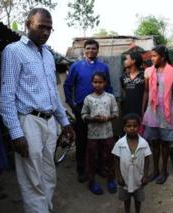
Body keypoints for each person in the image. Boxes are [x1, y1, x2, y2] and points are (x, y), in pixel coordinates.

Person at [0, 8, 75, 213]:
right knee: (31, 177)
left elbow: (53, 95)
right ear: (28, 24)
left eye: (49, 29)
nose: (45, 32)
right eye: (41, 26)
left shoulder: (49, 56)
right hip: (29, 122)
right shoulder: (13, 51)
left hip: (50, 123)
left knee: (48, 173)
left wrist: (65, 123)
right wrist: (16, 133)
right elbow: (6, 97)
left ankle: (45, 208)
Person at [64, 39, 112, 182]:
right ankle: (81, 169)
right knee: (82, 139)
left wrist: (109, 105)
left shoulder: (103, 67)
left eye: (94, 49)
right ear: (84, 50)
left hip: (101, 107)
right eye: (88, 48)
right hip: (81, 108)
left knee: (99, 139)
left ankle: (98, 167)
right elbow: (67, 85)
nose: (91, 51)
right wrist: (71, 104)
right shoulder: (76, 66)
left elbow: (108, 87)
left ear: (98, 50)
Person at [141, 45, 173, 184]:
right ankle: (156, 170)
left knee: (165, 143)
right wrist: (143, 110)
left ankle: (164, 171)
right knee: (154, 143)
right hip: (152, 111)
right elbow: (146, 91)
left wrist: (166, 96)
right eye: (151, 56)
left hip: (166, 112)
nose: (151, 58)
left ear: (163, 57)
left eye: (154, 56)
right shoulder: (148, 71)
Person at [81, 72, 118, 195]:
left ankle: (111, 180)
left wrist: (107, 118)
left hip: (107, 134)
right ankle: (91, 182)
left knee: (109, 157)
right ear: (92, 83)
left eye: (100, 82)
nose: (98, 84)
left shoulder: (110, 97)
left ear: (105, 83)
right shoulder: (88, 98)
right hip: (93, 135)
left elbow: (115, 113)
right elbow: (83, 115)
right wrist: (93, 119)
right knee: (92, 158)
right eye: (95, 82)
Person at [112, 113, 151, 213]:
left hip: (139, 178)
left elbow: (147, 158)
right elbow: (116, 159)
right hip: (125, 178)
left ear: (139, 127)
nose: (132, 128)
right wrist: (118, 176)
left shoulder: (143, 143)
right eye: (129, 126)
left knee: (138, 199)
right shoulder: (120, 143)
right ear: (124, 128)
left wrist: (145, 175)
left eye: (135, 126)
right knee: (126, 199)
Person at [121, 52, 145, 116]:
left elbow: (147, 92)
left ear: (133, 61)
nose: (124, 61)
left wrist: (143, 109)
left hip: (141, 109)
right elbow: (124, 91)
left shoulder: (144, 75)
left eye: (126, 59)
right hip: (127, 110)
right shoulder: (123, 77)